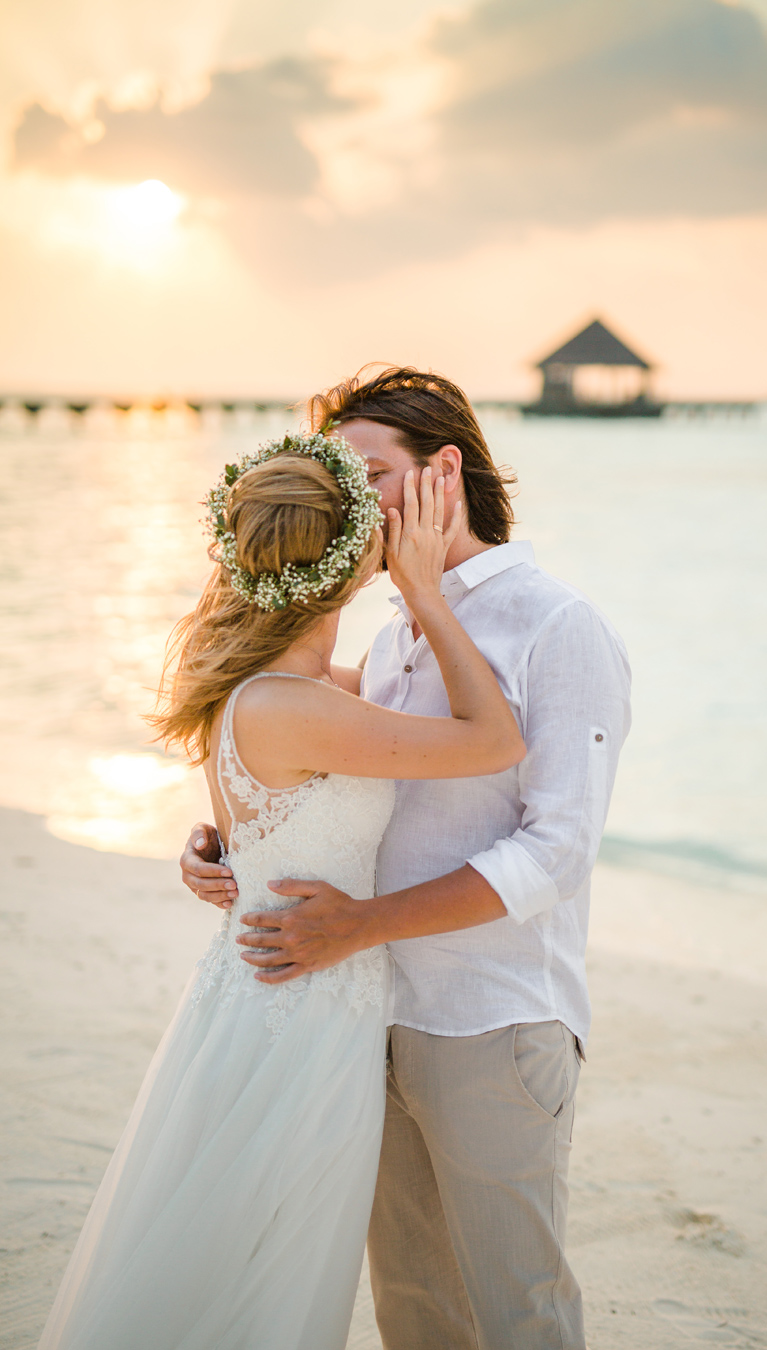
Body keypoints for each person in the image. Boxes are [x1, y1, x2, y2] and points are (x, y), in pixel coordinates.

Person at [37, 432, 525, 1350]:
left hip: (268, 997)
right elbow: (494, 739)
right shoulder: (300, 706)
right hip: (300, 1019)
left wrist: (211, 844)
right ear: (349, 566)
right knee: (263, 1272)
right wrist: (424, 592)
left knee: (242, 1256)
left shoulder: (283, 690)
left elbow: (285, 802)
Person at [182, 367, 632, 1350]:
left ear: (444, 472)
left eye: (367, 474)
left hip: (492, 1020)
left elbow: (557, 852)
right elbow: (308, 761)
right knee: (417, 1310)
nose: (346, 502)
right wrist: (232, 844)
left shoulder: (557, 627)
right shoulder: (393, 636)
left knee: (519, 1308)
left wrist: (361, 925)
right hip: (367, 1018)